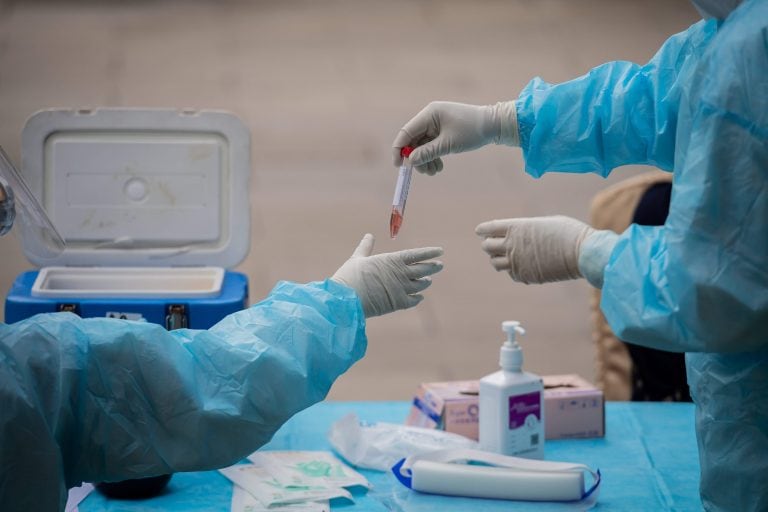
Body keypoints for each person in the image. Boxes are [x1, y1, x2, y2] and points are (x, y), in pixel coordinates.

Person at [392, 1, 766, 510]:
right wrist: (502, 121)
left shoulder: (754, 49)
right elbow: (653, 100)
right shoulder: (735, 32)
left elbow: (712, 290)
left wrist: (586, 252)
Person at [0, 176, 444, 510]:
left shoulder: (25, 372)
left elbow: (183, 388)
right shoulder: (22, 375)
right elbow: (197, 388)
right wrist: (336, 305)